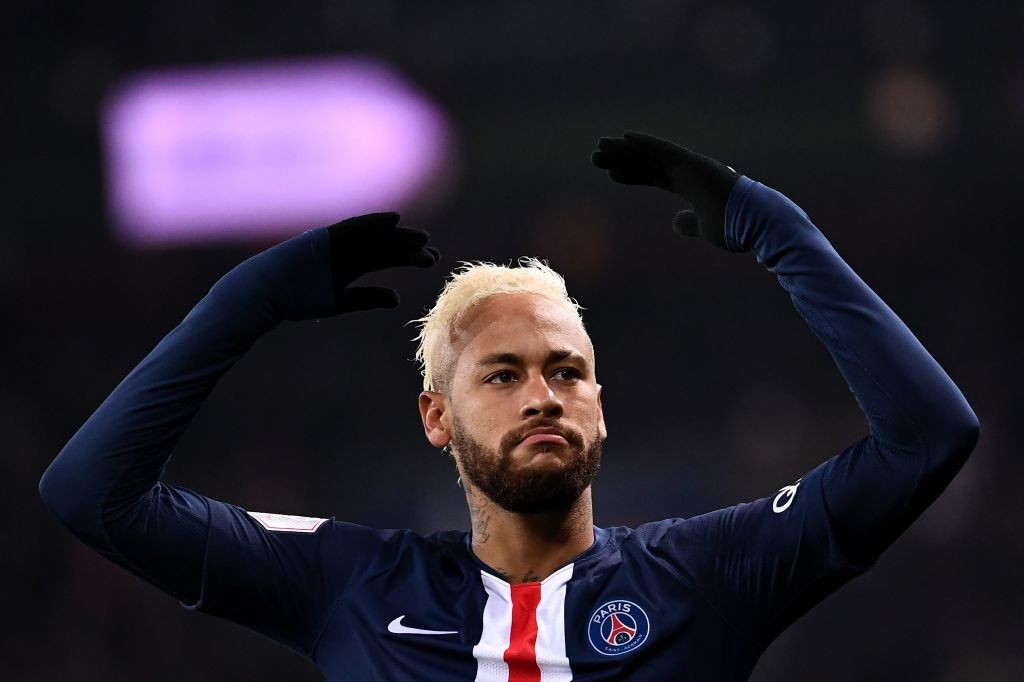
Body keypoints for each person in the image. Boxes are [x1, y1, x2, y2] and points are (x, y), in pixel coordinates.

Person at [39, 131, 980, 681]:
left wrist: (780, 232)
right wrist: (239, 306)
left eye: (568, 372)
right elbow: (93, 493)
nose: (543, 396)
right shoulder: (351, 586)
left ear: (602, 408)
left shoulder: (712, 573)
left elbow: (928, 439)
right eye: (501, 375)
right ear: (435, 418)